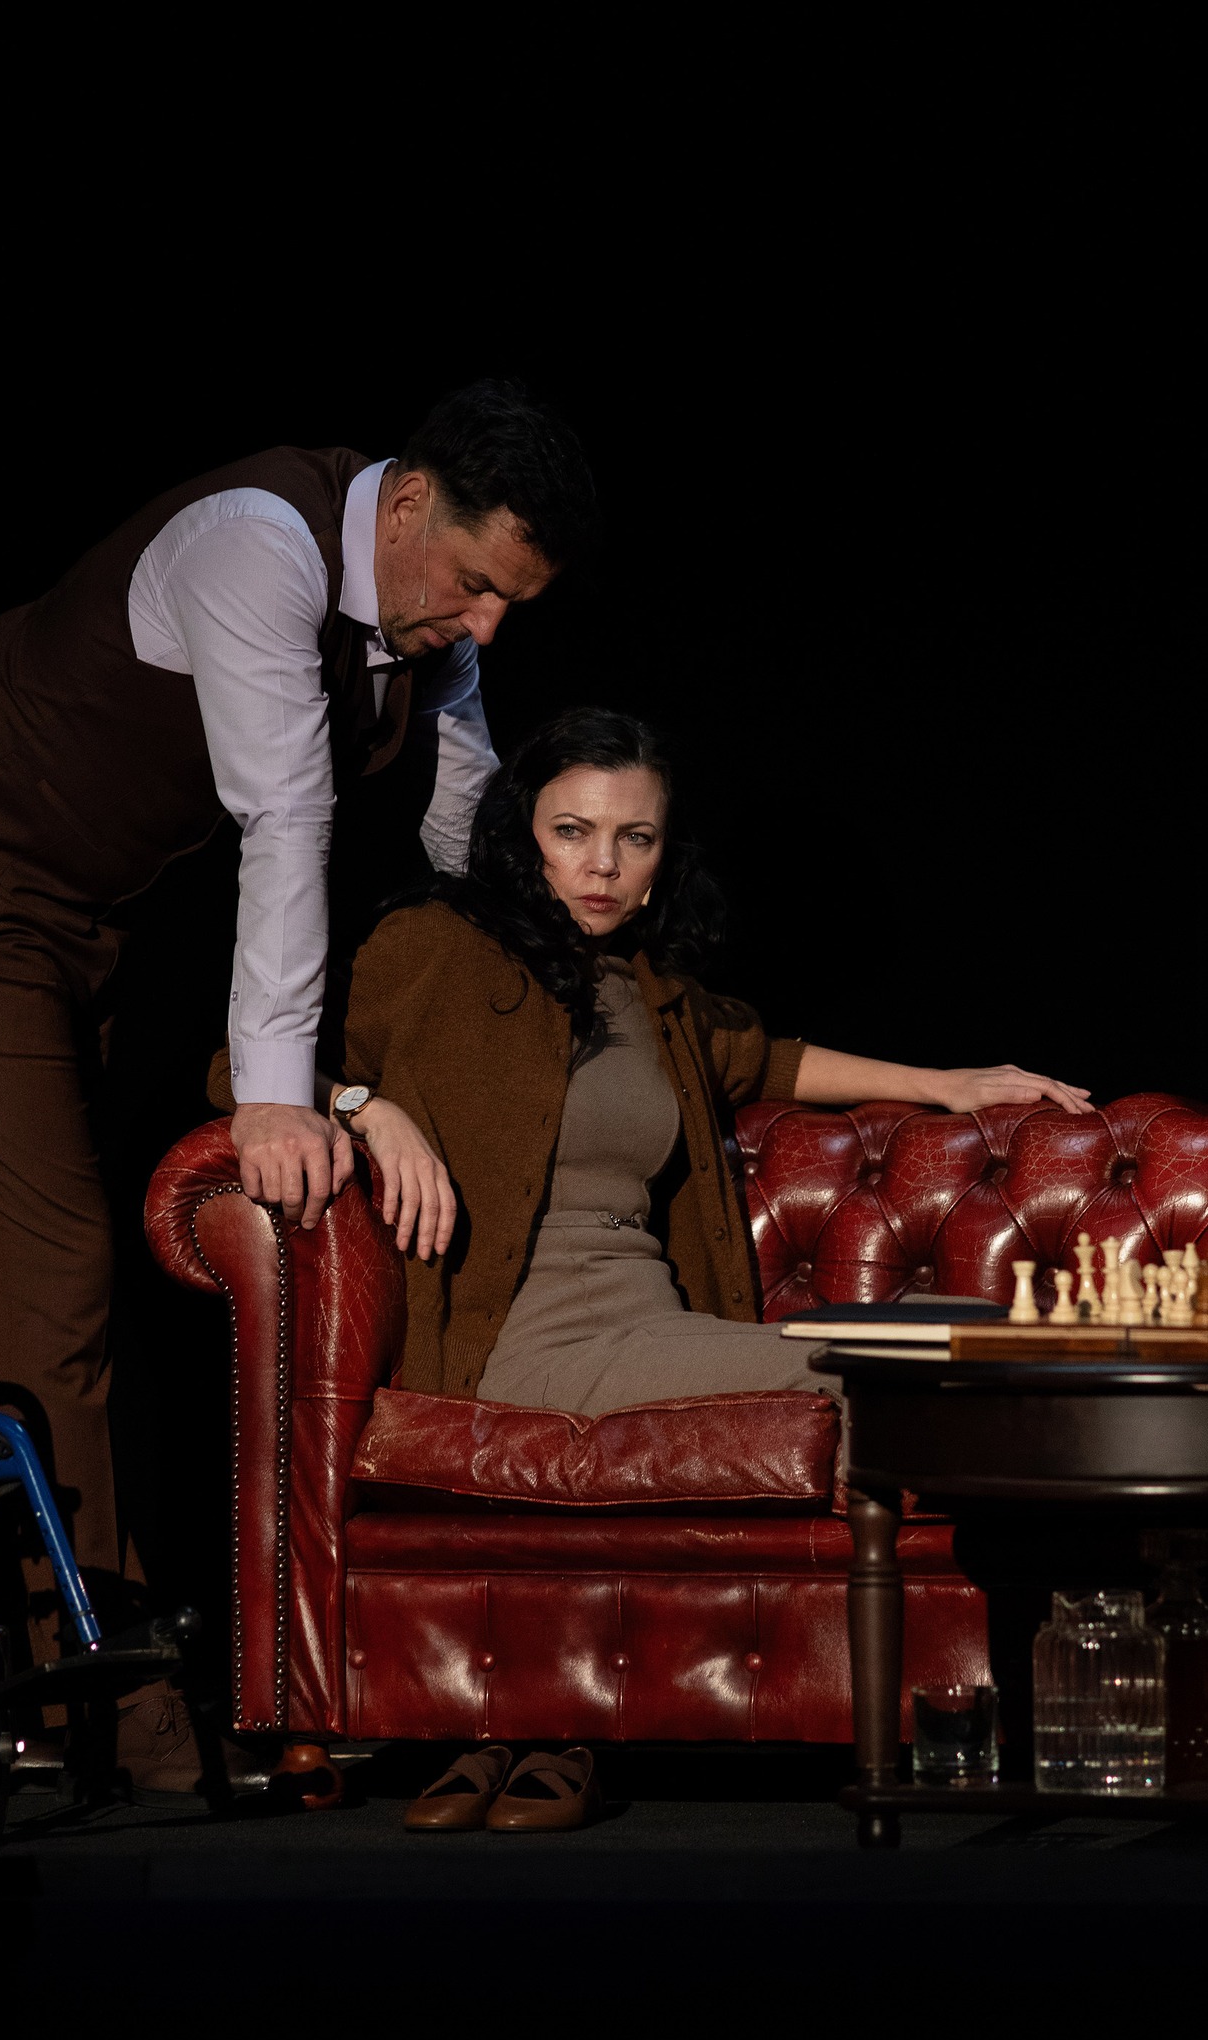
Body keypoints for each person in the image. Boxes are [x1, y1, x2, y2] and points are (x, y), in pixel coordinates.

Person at [0, 380, 597, 1799]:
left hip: (82, 916)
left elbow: (469, 825)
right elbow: (285, 812)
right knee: (52, 1275)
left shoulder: (430, 635)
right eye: (477, 584)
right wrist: (278, 1093)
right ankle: (105, 1706)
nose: (487, 624)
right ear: (409, 503)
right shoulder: (257, 542)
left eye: (514, 602)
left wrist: (582, 968)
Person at [313, 704, 1093, 1828]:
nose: (602, 864)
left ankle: (542, 1725)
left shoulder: (650, 991)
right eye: (572, 830)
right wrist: (364, 1105)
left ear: (661, 858)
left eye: (633, 838)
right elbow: (253, 1060)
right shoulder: (433, 947)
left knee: (955, 1338)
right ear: (519, 833)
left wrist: (948, 1083)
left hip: (648, 1326)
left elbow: (766, 1058)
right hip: (523, 1339)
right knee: (892, 1369)